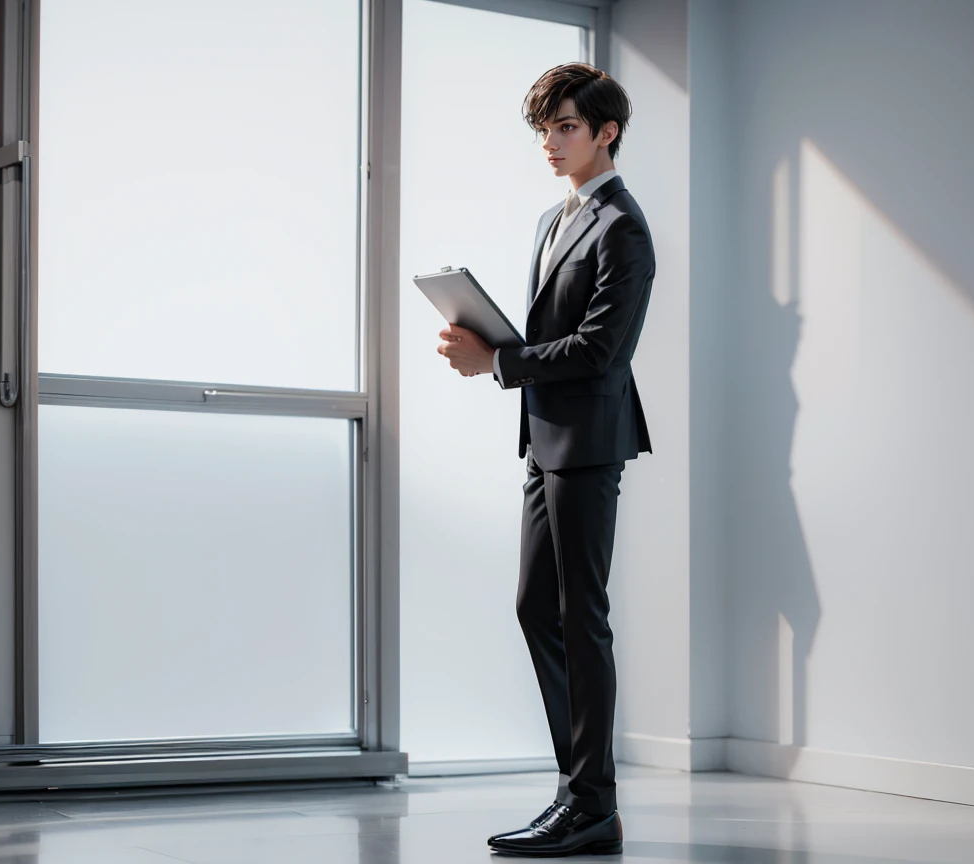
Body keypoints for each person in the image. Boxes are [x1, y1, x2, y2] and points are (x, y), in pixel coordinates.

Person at [436, 61, 654, 857]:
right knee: (538, 607)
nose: (552, 142)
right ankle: (577, 790)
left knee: (580, 617)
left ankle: (593, 804)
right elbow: (549, 338)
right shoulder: (552, 219)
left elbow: (603, 349)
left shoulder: (623, 228)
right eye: (544, 129)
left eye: (566, 127)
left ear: (607, 133)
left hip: (590, 443)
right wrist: (492, 345)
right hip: (545, 439)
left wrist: (498, 364)